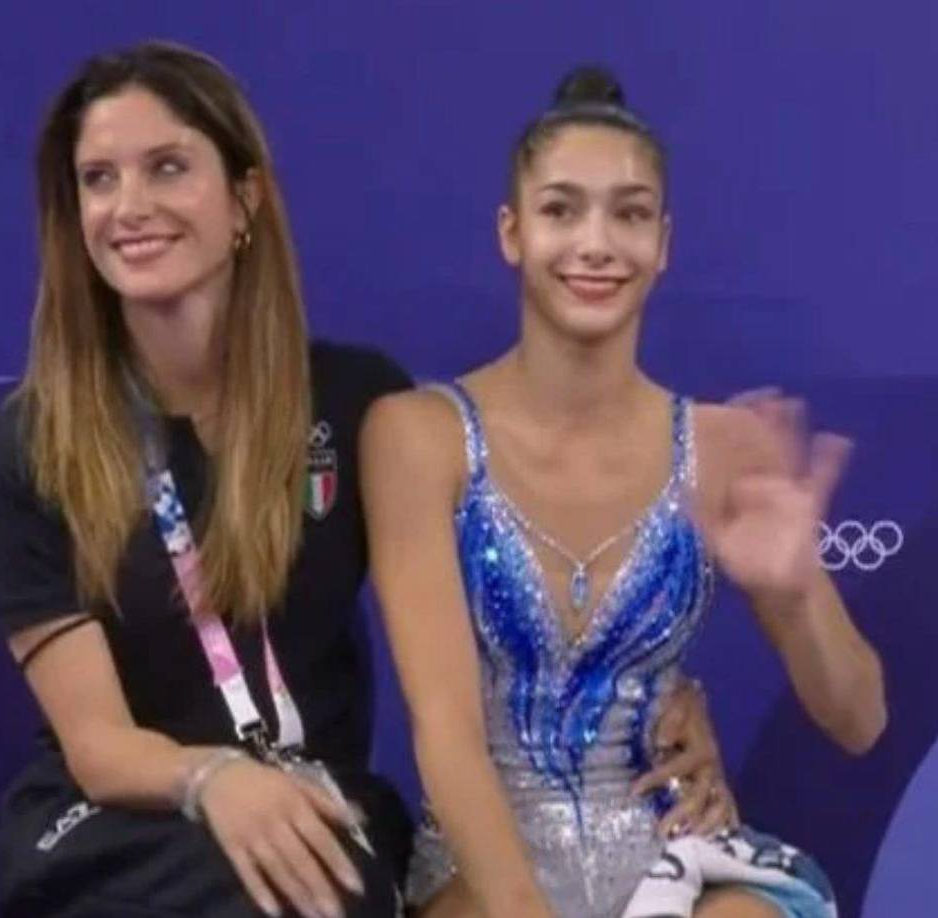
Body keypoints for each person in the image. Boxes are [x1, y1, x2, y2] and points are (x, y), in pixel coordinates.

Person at [0, 42, 738, 918]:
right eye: (98, 180)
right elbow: (99, 746)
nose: (130, 206)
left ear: (245, 198)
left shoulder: (356, 403)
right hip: (122, 820)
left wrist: (658, 699)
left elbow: (528, 579)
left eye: (168, 168)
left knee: (320, 878)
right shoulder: (28, 448)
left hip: (320, 813)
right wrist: (215, 779)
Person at [360, 66, 887, 918]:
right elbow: (447, 733)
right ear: (511, 232)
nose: (597, 244)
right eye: (561, 210)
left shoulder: (726, 446)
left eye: (630, 214)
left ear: (664, 242)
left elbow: (860, 719)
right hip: (482, 870)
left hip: (674, 860)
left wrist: (795, 597)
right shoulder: (417, 435)